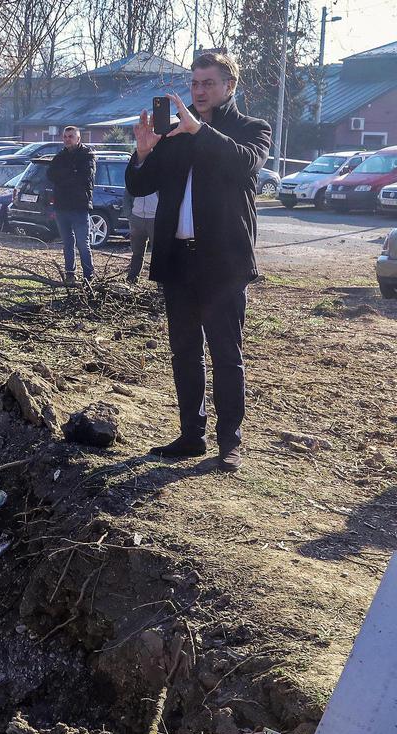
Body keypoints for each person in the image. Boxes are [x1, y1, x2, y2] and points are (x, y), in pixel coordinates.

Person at [126, 51, 271, 472]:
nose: (200, 91)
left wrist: (200, 131)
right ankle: (192, 436)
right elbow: (139, 185)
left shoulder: (251, 129)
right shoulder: (176, 132)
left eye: (208, 83)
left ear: (230, 87)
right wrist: (143, 151)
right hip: (178, 260)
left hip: (223, 264)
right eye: (194, 83)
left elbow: (246, 164)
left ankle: (230, 444)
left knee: (226, 354)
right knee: (184, 351)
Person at [47, 125, 96, 284]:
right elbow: (50, 174)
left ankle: (88, 277)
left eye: (71, 136)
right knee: (67, 243)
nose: (68, 139)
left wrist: (64, 177)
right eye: (66, 136)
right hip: (62, 207)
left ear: (78, 138)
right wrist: (70, 174)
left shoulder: (87, 156)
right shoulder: (60, 156)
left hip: (80, 208)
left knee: (83, 244)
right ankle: (70, 274)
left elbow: (84, 178)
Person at [124, 188, 158, 284]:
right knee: (137, 251)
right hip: (136, 218)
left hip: (155, 218)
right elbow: (127, 195)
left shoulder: (159, 174)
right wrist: (129, 215)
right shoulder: (136, 174)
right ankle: (133, 277)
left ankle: (159, 280)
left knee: (158, 252)